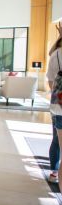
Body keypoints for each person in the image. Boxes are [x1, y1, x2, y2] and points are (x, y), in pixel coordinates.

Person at [46, 21, 62, 188]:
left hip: (57, 104)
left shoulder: (55, 54)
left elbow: (51, 83)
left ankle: (54, 171)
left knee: (56, 139)